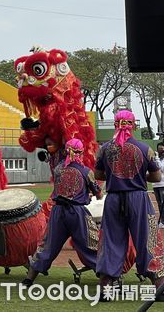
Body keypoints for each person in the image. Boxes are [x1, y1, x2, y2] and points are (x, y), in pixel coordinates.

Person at [95, 110, 164, 299]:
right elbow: (156, 176)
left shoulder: (104, 149)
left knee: (111, 241)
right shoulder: (145, 148)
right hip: (138, 199)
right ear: (132, 125)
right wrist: (139, 176)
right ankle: (158, 286)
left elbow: (99, 175)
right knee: (147, 239)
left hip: (114, 198)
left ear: (116, 125)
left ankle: (105, 288)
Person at [23, 138, 102, 285]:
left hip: (58, 211)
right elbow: (98, 194)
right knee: (90, 246)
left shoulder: (58, 169)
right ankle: (108, 279)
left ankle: (29, 279)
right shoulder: (86, 172)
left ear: (66, 151)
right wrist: (88, 194)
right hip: (77, 213)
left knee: (47, 246)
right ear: (81, 152)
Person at [153, 142, 164, 228]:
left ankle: (163, 221)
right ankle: (162, 220)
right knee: (159, 204)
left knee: (163, 203)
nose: (161, 151)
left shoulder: (158, 159)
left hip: (163, 184)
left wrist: (156, 157)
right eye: (160, 149)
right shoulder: (155, 158)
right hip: (156, 185)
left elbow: (160, 168)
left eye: (163, 149)